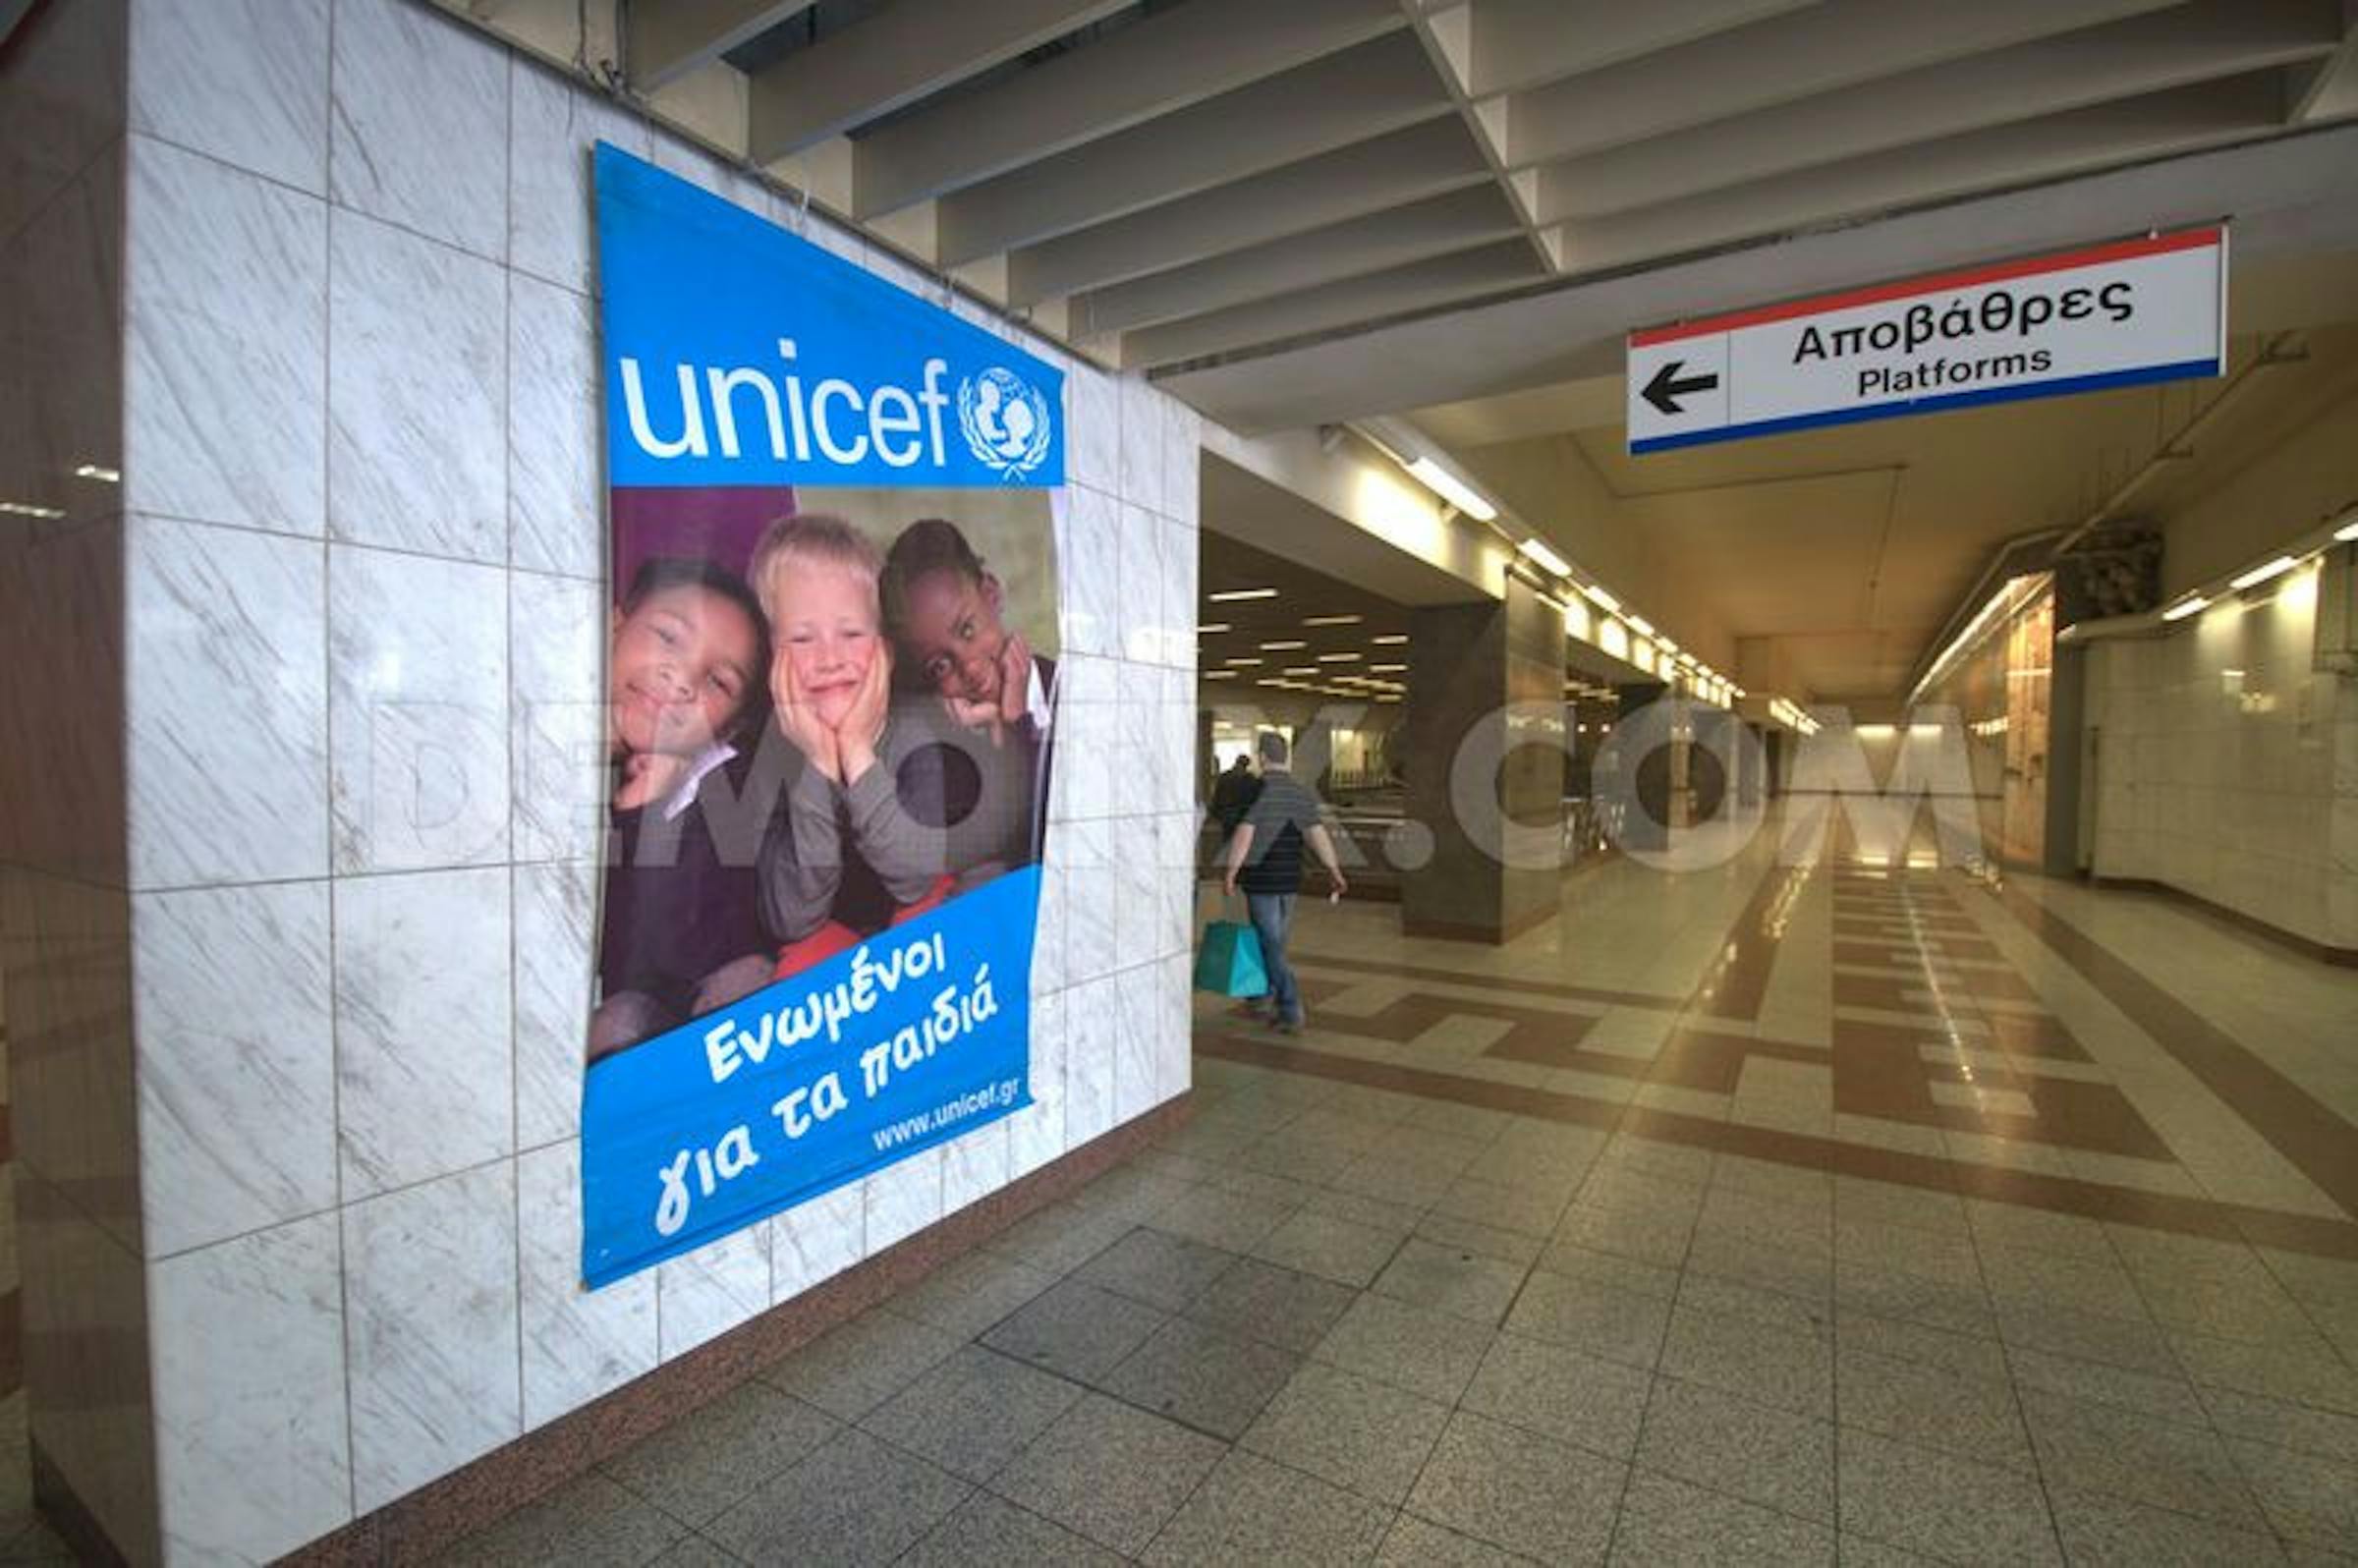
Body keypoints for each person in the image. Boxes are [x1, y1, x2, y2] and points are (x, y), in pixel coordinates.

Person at [748, 514, 971, 976]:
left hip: (918, 912)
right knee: (797, 961)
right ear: (773, 660)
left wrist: (855, 751)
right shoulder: (771, 752)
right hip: (838, 939)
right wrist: (817, 764)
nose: (830, 659)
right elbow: (791, 918)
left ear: (885, 654)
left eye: (851, 634)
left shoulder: (912, 732)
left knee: (938, 909)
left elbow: (914, 880)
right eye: (802, 638)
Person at [591, 556, 776, 1060]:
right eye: (669, 637)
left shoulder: (710, 789)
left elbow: (643, 963)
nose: (681, 680)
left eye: (718, 682)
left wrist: (639, 820)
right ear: (613, 625)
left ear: (728, 730)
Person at [880, 516, 1054, 861]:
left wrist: (1015, 724)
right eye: (941, 665)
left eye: (968, 630)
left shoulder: (1075, 689)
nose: (971, 668)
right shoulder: (946, 754)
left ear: (990, 594)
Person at [1221, 731, 1347, 1034]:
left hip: (1262, 881)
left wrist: (1231, 871)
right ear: (1285, 757)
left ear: (1262, 757)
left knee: (1271, 943)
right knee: (1275, 941)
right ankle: (1263, 996)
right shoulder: (1299, 793)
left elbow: (1245, 833)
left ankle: (1290, 1008)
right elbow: (1317, 835)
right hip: (1289, 881)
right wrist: (1334, 869)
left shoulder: (1256, 790)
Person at [1208, 754, 1259, 835]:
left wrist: (1216, 813)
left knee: (1227, 839)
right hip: (1242, 815)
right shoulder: (1250, 779)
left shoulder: (1224, 777)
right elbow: (1254, 799)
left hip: (1226, 815)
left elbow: (1216, 798)